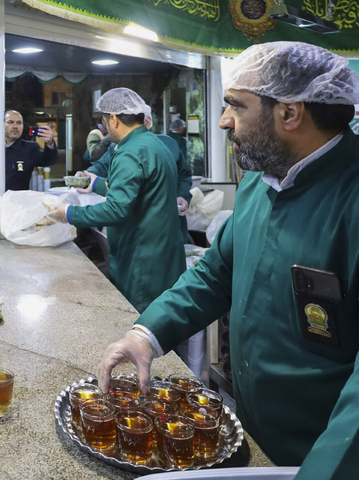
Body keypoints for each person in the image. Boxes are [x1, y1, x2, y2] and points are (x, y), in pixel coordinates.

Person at [97, 41, 359, 479]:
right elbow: (216, 274)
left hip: (323, 455)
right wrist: (147, 333)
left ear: (289, 113)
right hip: (253, 439)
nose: (222, 121)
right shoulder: (261, 183)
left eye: (235, 106)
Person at [47, 88, 185, 313]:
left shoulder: (130, 152)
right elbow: (139, 189)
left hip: (142, 261)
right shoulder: (155, 144)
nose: (105, 128)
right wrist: (95, 183)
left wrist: (69, 213)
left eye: (104, 120)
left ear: (113, 119)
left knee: (141, 328)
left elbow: (116, 209)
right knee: (164, 321)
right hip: (164, 256)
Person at [80, 107, 193, 243]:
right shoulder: (117, 148)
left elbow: (184, 174)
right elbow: (101, 166)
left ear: (148, 123)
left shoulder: (168, 144)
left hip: (168, 222)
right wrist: (86, 175)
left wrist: (182, 195)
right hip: (135, 229)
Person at [4, 110, 57, 190]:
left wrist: (50, 143)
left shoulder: (30, 148)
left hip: (18, 199)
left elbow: (49, 160)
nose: (15, 126)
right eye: (10, 122)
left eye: (19, 123)